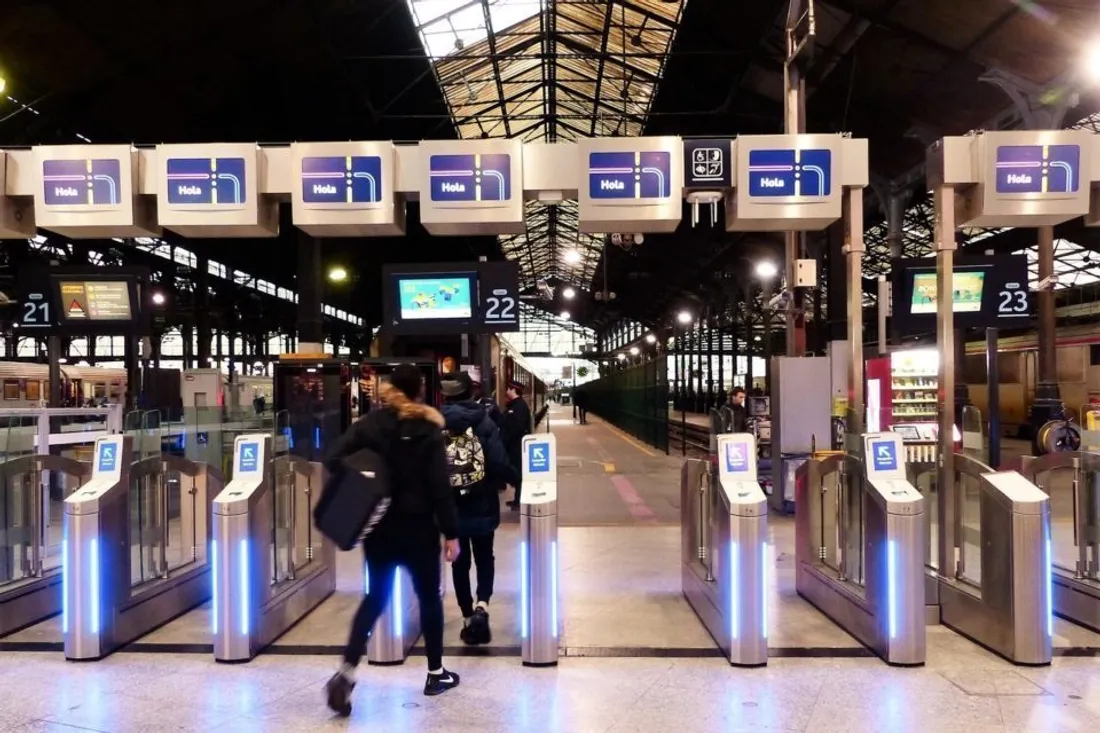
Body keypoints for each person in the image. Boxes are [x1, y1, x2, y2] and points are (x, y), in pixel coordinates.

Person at [324, 364, 462, 716]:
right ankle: (436, 674)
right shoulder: (428, 429)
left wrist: (366, 480)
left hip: (380, 528)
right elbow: (439, 486)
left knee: (375, 598)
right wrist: (451, 532)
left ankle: (346, 671)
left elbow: (332, 458)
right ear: (418, 391)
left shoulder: (369, 425)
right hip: (420, 529)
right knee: (429, 598)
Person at [440, 371, 516, 646]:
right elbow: (498, 461)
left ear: (445, 395)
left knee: (459, 562)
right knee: (485, 557)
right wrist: (518, 479)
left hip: (451, 506)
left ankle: (466, 616)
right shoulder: (484, 420)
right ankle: (482, 605)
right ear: (471, 391)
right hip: (482, 502)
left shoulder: (436, 422)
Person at [501, 381, 531, 509]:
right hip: (514, 446)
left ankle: (519, 500)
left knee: (518, 473)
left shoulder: (519, 407)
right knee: (517, 473)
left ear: (513, 390)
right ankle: (517, 499)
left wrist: (506, 439)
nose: (506, 391)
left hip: (517, 446)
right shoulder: (515, 405)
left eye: (508, 389)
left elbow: (518, 427)